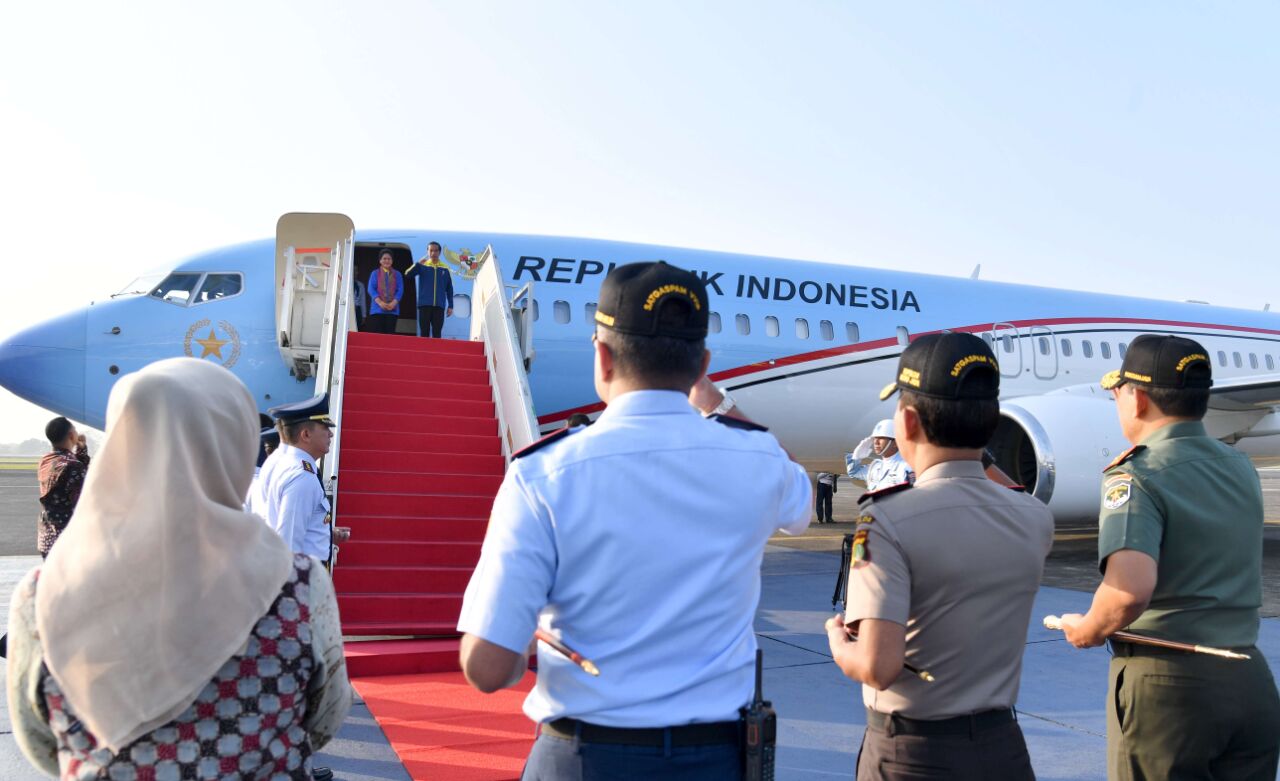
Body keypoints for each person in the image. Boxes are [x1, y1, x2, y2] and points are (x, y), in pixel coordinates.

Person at [456, 261, 812, 779]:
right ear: (702, 364)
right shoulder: (761, 462)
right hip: (715, 759)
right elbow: (798, 503)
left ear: (602, 356)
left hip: (582, 759)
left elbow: (486, 669)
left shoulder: (543, 474)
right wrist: (715, 400)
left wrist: (527, 636)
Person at [5, 357, 351, 780]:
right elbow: (323, 721)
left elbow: (42, 745)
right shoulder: (298, 585)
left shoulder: (41, 596)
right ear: (235, 448)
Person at [825, 332, 1053, 781]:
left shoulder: (886, 520)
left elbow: (877, 666)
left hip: (913, 755)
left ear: (906, 423)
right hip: (1003, 750)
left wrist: (837, 642)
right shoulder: (1033, 517)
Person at [1058, 334, 1280, 780]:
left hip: (1169, 688)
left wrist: (1086, 630)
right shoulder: (1240, 467)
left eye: (1117, 393)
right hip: (1248, 676)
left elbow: (1127, 592)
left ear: (1137, 399)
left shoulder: (1136, 474)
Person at [249, 394, 339, 564]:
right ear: (306, 435)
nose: (331, 434)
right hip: (301, 577)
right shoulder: (301, 476)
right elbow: (289, 546)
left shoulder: (283, 463)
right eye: (325, 429)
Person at [36, 416, 91, 558]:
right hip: (66, 541)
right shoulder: (73, 466)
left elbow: (70, 468)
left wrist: (81, 452)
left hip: (47, 538)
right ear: (72, 436)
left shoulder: (45, 461)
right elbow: (82, 503)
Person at [844, 418, 913, 493]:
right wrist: (855, 458)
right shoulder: (875, 467)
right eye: (875, 438)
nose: (876, 442)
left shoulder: (906, 467)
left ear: (896, 442)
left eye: (881, 438)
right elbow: (854, 473)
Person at [405, 240, 453, 338]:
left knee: (437, 333)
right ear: (427, 252)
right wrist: (417, 264)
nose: (433, 253)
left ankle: (436, 353)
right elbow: (408, 274)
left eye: (435, 251)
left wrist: (451, 305)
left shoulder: (445, 268)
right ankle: (423, 353)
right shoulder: (422, 266)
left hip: (439, 306)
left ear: (439, 252)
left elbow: (449, 288)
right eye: (431, 250)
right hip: (424, 305)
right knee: (424, 332)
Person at [365, 249, 404, 334]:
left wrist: (393, 303)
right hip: (377, 309)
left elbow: (400, 290)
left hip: (392, 310)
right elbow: (371, 289)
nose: (387, 261)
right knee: (378, 336)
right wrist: (380, 303)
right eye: (384, 258)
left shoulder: (397, 274)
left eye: (389, 259)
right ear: (380, 261)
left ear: (392, 261)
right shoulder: (375, 273)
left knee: (389, 336)